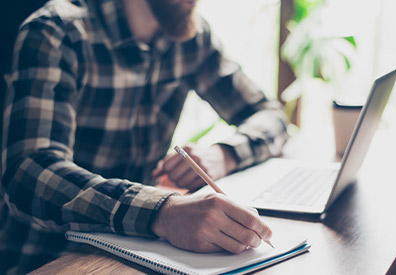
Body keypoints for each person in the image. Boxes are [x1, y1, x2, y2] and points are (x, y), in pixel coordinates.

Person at [0, 0, 289, 273]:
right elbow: (27, 173)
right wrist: (162, 213)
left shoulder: (192, 36)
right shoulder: (57, 32)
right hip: (47, 258)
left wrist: (224, 154)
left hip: (137, 252)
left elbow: (271, 116)